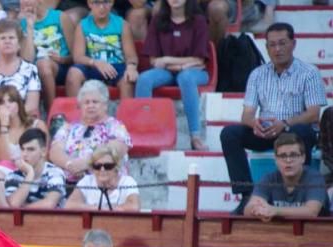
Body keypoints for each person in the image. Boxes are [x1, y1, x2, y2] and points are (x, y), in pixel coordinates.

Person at [222, 23, 325, 216]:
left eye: (282, 43)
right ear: (266, 47)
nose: (277, 49)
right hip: (266, 131)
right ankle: (246, 195)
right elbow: (246, 115)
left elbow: (313, 113)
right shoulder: (257, 74)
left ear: (293, 44)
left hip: (292, 130)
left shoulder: (309, 72)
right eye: (272, 45)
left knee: (304, 131)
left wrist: (284, 124)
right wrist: (255, 124)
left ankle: (304, 194)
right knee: (229, 134)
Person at [136, 0, 210, 151]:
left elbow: (199, 60)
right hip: (169, 71)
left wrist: (168, 60)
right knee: (144, 79)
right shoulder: (158, 20)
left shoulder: (198, 21)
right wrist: (179, 65)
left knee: (186, 77)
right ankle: (143, 133)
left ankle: (195, 136)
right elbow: (154, 60)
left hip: (195, 72)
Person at [49, 80, 131, 185]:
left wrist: (87, 163)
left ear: (105, 105)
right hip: (68, 185)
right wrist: (70, 164)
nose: (90, 106)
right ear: (80, 106)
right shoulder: (68, 128)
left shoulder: (115, 127)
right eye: (86, 102)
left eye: (95, 102)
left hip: (103, 185)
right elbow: (54, 152)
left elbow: (116, 149)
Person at [243, 133, 330, 220]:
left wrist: (275, 210)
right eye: (283, 156)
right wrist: (258, 211)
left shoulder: (315, 178)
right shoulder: (269, 178)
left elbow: (311, 212)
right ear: (276, 160)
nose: (288, 160)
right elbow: (247, 210)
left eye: (293, 155)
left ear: (303, 158)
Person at [66, 0, 139, 99]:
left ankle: (126, 113)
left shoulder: (122, 24)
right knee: (73, 74)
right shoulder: (82, 25)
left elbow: (131, 56)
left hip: (116, 66)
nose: (101, 7)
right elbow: (78, 57)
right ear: (89, 4)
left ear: (112, 3)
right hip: (93, 65)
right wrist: (96, 63)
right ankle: (75, 112)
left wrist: (131, 67)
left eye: (106, 2)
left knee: (128, 80)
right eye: (96, 2)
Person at [18, 0, 73, 114]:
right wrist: (29, 27)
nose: (25, 2)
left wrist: (62, 59)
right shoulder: (22, 24)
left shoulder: (60, 17)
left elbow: (75, 55)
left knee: (43, 64)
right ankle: (50, 113)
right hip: (36, 71)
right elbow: (27, 60)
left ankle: (51, 112)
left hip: (61, 67)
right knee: (42, 64)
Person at [0, 127, 66, 208]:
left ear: (43, 152)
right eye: (22, 149)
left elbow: (49, 204)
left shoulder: (55, 172)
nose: (24, 154)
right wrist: (30, 174)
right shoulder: (13, 175)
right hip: (22, 220)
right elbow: (14, 204)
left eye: (30, 149)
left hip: (52, 220)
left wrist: (22, 209)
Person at [0, 84, 48, 167]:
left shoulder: (38, 125)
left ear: (18, 104)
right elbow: (3, 162)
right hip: (8, 175)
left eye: (11, 101)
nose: (7, 105)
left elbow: (44, 157)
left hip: (35, 172)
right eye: (2, 103)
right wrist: (4, 126)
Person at [64, 144, 140, 211]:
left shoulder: (127, 181)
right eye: (97, 166)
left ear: (116, 167)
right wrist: (98, 208)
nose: (102, 170)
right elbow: (69, 205)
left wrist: (104, 209)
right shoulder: (87, 181)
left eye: (108, 166)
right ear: (92, 168)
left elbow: (134, 207)